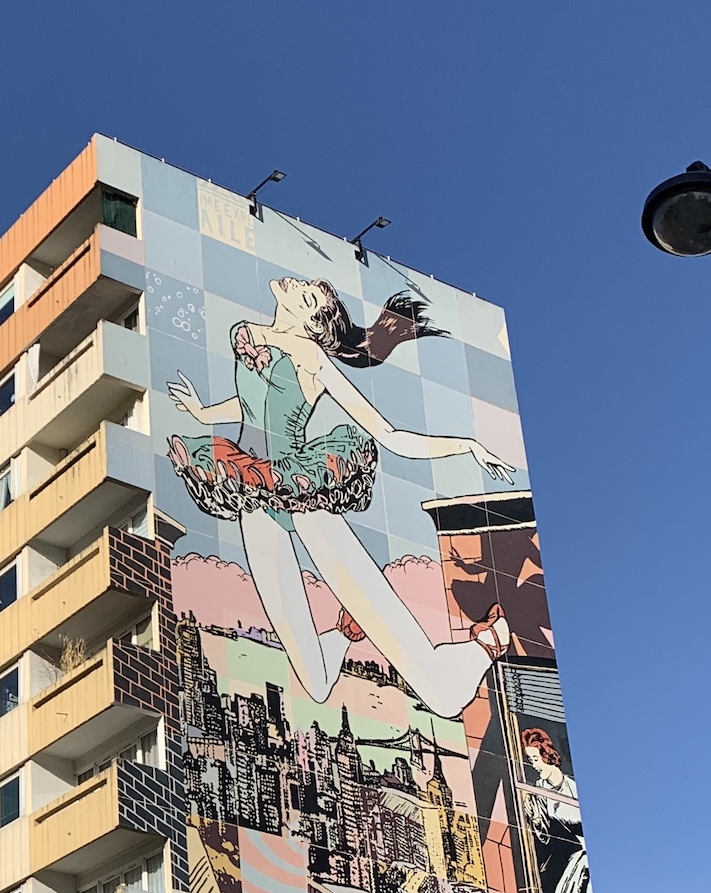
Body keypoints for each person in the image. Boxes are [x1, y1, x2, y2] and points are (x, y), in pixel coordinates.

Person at [168, 276, 517, 716]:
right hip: (252, 496)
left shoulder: (312, 358)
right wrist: (203, 413)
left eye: (309, 294)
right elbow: (250, 401)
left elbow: (388, 434)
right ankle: (343, 634)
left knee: (439, 694)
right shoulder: (248, 334)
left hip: (302, 490)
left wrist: (466, 445)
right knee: (313, 683)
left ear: (311, 320)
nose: (299, 283)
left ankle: (485, 645)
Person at [519, 727, 593, 893]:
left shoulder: (573, 788)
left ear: (546, 754)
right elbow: (542, 833)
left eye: (535, 758)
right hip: (562, 857)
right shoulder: (537, 790)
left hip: (583, 856)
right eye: (530, 760)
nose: (533, 765)